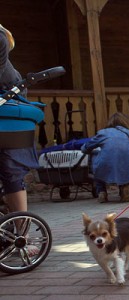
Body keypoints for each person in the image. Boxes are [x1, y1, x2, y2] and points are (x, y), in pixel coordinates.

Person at [0, 25, 40, 255]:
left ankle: (21, 236)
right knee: (10, 173)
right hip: (7, 113)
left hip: (7, 112)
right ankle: (18, 234)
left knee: (11, 171)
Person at [81, 113, 129, 203]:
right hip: (126, 167)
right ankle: (125, 187)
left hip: (105, 165)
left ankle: (101, 191)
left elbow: (85, 148)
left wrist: (93, 150)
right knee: (126, 160)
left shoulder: (104, 133)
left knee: (95, 155)